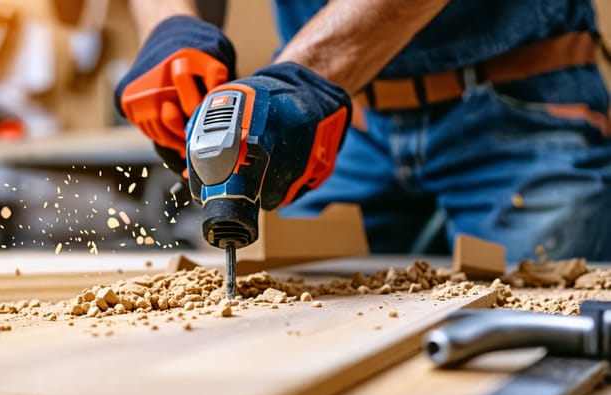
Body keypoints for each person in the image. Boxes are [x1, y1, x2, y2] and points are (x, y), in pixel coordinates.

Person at [114, 0, 611, 262]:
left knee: (542, 351)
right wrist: (168, 24)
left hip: (519, 103)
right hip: (349, 118)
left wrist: (305, 74)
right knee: (293, 327)